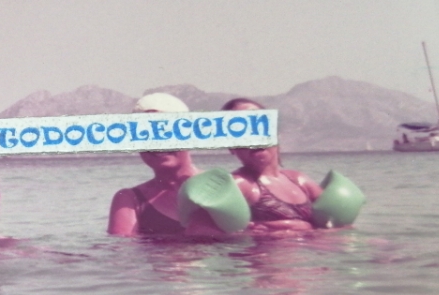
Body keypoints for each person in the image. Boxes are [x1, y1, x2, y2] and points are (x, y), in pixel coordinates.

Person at [107, 93, 205, 237]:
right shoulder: (129, 201)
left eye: (167, 132)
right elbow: (120, 255)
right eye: (145, 134)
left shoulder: (227, 188)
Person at [222, 97, 323, 234]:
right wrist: (252, 232)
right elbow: (200, 230)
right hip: (264, 255)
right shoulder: (238, 185)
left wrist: (305, 229)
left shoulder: (300, 181)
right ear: (231, 146)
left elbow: (341, 227)